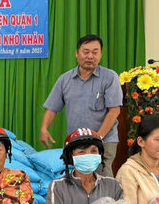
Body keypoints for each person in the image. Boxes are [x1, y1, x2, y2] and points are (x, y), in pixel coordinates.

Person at [40, 35, 122, 177]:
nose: (90, 56)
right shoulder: (65, 79)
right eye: (86, 52)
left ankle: (107, 200)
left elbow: (114, 111)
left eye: (95, 52)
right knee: (77, 179)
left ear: (101, 54)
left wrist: (97, 138)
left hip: (104, 140)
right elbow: (52, 107)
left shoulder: (110, 77)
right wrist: (44, 128)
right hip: (76, 140)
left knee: (102, 179)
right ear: (77, 53)